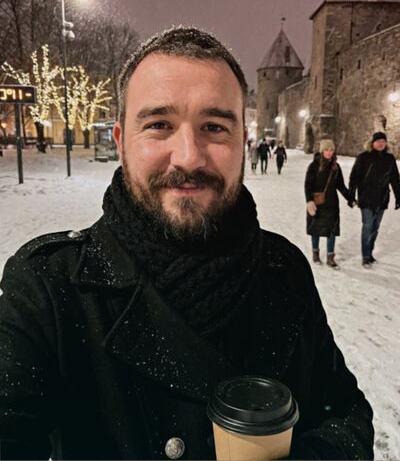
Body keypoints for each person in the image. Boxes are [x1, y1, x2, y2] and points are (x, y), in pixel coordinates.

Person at [0, 27, 374, 460]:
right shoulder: (49, 286)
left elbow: (343, 413)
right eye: (159, 125)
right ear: (121, 143)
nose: (189, 156)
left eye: (214, 127)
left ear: (243, 143)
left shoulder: (283, 269)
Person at [348, 131, 400, 268]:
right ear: (373, 143)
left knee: (375, 228)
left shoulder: (389, 158)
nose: (381, 144)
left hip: (382, 199)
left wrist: (398, 197)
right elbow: (354, 177)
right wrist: (351, 195)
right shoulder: (363, 157)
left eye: (383, 141)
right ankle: (365, 256)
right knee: (368, 226)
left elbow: (395, 179)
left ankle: (370, 253)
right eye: (378, 141)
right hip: (366, 198)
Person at [305, 139, 351, 268]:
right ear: (322, 151)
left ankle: (330, 257)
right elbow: (308, 185)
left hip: (331, 204)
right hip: (317, 203)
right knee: (316, 229)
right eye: (326, 149)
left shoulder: (335, 167)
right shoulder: (314, 166)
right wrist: (309, 201)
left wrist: (350, 198)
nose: (329, 152)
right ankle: (315, 253)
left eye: (331, 150)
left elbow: (340, 185)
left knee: (332, 230)